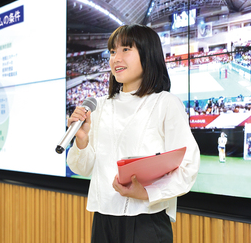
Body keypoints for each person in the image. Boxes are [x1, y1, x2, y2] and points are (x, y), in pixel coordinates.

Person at [66, 24, 200, 243]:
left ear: (148, 55)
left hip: (147, 222)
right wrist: (81, 141)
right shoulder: (99, 106)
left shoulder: (166, 103)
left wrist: (147, 193)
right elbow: (83, 167)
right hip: (103, 220)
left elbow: (188, 166)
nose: (116, 58)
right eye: (112, 51)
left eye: (125, 49)